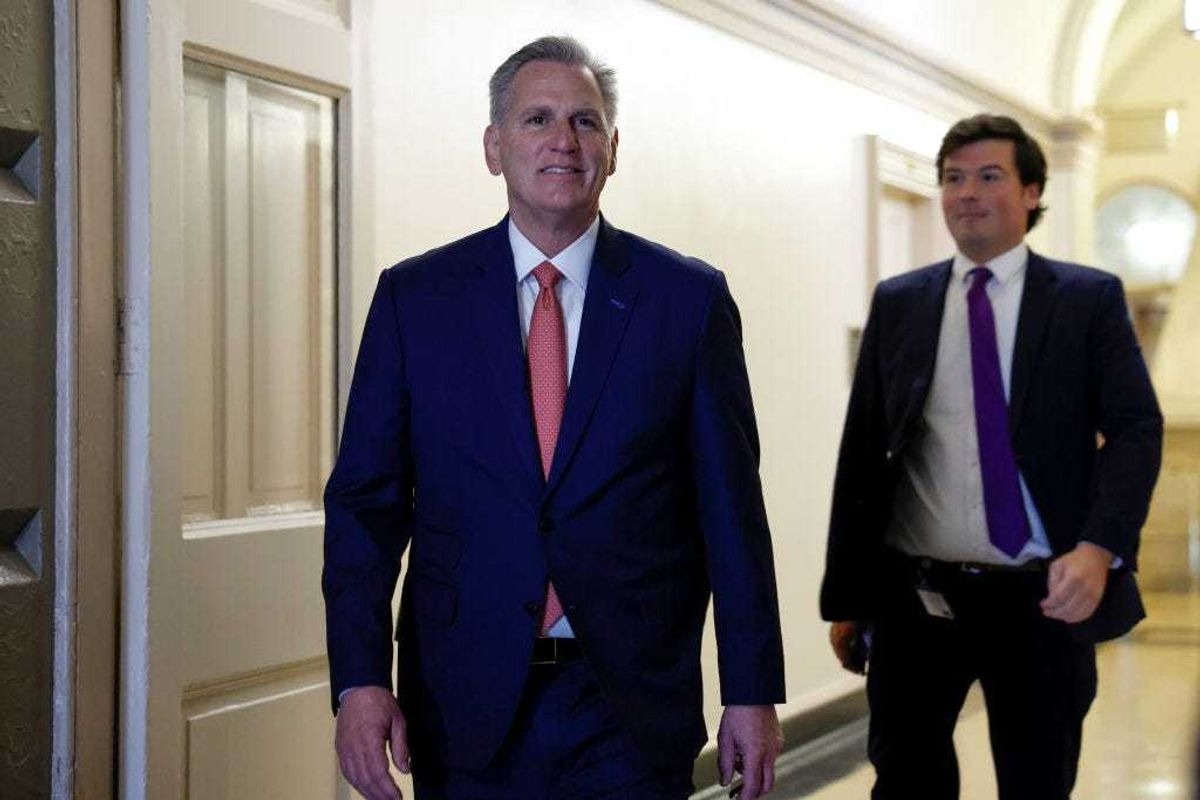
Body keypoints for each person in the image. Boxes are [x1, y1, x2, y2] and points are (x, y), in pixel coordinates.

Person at [323, 35, 785, 800]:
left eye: (586, 121)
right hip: (462, 697)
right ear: (494, 146)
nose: (563, 141)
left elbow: (731, 515)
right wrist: (360, 681)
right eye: (537, 119)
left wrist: (751, 688)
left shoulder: (686, 302)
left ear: (613, 148)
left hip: (630, 703)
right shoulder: (417, 300)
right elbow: (365, 508)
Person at [820, 113, 1162, 799]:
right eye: (952, 179)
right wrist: (852, 596)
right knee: (906, 775)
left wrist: (1099, 547)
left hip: (1040, 598)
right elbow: (863, 452)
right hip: (920, 598)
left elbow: (1135, 427)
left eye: (988, 176)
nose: (966, 193)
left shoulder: (1085, 300)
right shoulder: (901, 302)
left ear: (1033, 191)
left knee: (1036, 779)